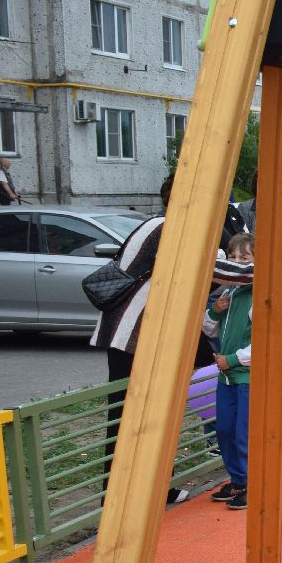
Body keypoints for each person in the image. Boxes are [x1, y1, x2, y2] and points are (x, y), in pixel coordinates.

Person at [91, 175, 191, 506]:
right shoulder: (165, 228)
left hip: (146, 335)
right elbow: (211, 267)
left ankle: (155, 487)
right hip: (129, 334)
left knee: (154, 413)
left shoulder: (168, 226)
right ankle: (114, 497)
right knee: (125, 416)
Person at [203, 235, 256, 511]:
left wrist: (232, 360)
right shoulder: (228, 293)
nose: (236, 264)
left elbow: (265, 341)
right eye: (232, 258)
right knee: (224, 431)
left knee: (243, 433)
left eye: (244, 259)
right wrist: (214, 310)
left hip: (246, 377)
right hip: (226, 377)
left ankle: (252, 482)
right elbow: (209, 329)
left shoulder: (258, 296)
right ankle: (238, 479)